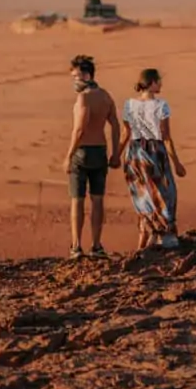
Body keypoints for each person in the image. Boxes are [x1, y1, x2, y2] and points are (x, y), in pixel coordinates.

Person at [118, 67, 186, 251]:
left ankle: (145, 240)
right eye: (159, 81)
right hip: (155, 153)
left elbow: (126, 133)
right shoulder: (160, 106)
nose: (161, 84)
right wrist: (177, 163)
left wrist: (116, 155)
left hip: (134, 153)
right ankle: (166, 236)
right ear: (152, 83)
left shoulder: (129, 105)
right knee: (165, 193)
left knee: (143, 197)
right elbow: (165, 136)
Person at [63, 54, 120, 259]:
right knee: (97, 200)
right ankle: (96, 245)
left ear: (87, 75)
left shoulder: (84, 97)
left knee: (77, 200)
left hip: (83, 152)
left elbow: (79, 129)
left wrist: (69, 155)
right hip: (101, 152)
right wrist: (116, 153)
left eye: (76, 76)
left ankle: (76, 246)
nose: (74, 81)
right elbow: (115, 125)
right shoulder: (106, 96)